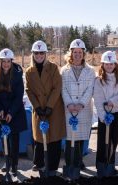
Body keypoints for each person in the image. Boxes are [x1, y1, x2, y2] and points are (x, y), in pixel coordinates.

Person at [25, 40, 66, 176]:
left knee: (53, 138)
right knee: (39, 138)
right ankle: (39, 163)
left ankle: (52, 167)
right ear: (33, 54)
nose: (39, 55)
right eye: (36, 53)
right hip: (39, 109)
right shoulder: (29, 71)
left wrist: (49, 107)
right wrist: (37, 107)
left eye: (42, 53)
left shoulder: (53, 68)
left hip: (53, 108)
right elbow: (29, 90)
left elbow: (57, 88)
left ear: (45, 54)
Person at [93, 51, 118, 176]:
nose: (109, 66)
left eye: (111, 64)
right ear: (102, 65)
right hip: (104, 116)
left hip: (116, 114)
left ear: (115, 64)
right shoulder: (98, 81)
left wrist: (112, 102)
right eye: (106, 64)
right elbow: (98, 100)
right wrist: (103, 117)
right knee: (103, 142)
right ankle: (101, 166)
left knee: (113, 141)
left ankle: (111, 165)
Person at [0, 48, 27, 175]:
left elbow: (19, 96)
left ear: (11, 61)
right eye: (3, 61)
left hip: (14, 111)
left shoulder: (17, 75)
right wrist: (0, 109)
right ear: (0, 61)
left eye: (8, 61)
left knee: (14, 139)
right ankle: (7, 162)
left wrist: (11, 112)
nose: (6, 64)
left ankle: (15, 164)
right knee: (4, 138)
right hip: (1, 111)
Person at [61, 39, 95, 174]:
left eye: (80, 52)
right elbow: (63, 89)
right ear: (71, 53)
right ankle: (70, 163)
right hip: (69, 109)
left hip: (84, 108)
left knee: (81, 137)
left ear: (83, 53)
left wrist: (81, 104)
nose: (77, 54)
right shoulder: (64, 70)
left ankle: (79, 161)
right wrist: (69, 104)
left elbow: (90, 88)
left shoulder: (90, 71)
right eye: (75, 52)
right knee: (70, 138)